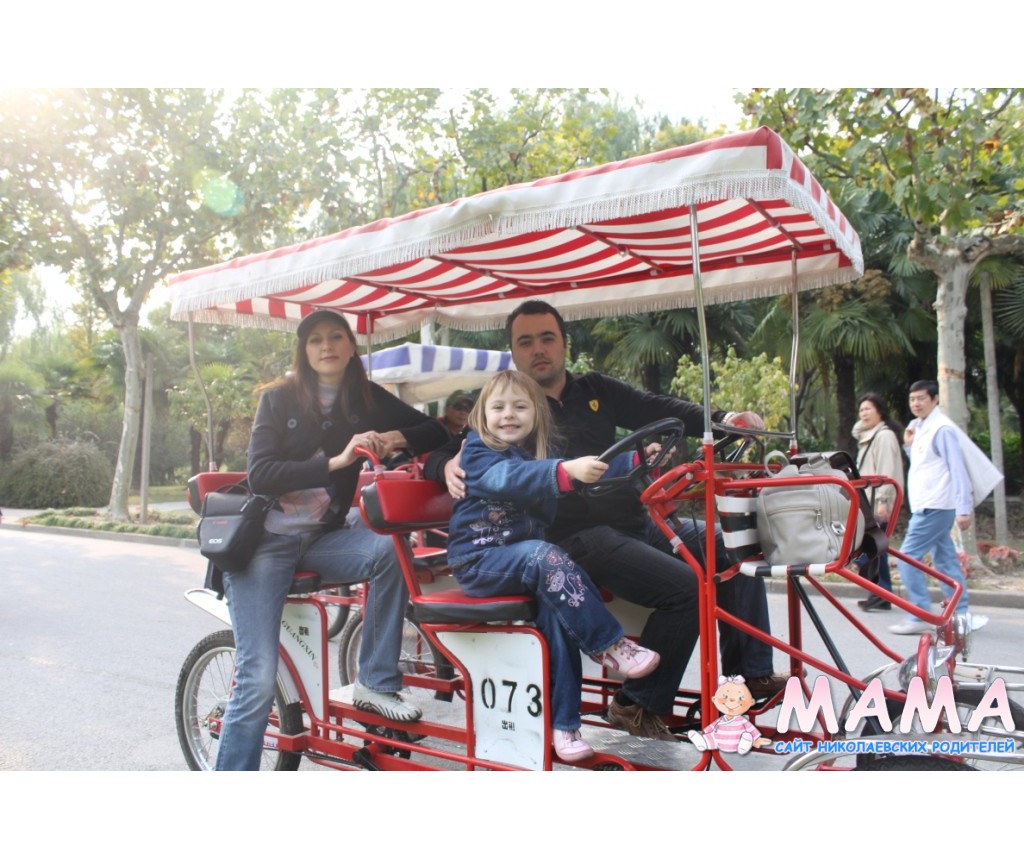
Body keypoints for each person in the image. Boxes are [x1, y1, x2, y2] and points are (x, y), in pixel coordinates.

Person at [426, 300, 786, 741]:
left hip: (635, 521)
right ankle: (636, 704)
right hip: (577, 538)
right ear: (514, 353)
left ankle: (749, 676)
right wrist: (443, 465)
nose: (538, 349)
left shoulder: (595, 389)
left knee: (730, 545)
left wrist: (722, 420)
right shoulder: (510, 409)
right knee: (687, 587)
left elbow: (655, 407)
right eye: (526, 342)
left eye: (547, 338)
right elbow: (460, 452)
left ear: (564, 344)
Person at [215, 308, 448, 770]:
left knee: (389, 550)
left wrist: (391, 437)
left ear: (350, 345)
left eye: (336, 336)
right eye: (316, 339)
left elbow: (437, 432)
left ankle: (374, 681)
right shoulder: (279, 399)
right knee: (258, 679)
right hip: (263, 544)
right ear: (304, 350)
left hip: (321, 540)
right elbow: (261, 474)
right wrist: (337, 462)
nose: (327, 346)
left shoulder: (365, 398)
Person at [447, 369, 661, 762]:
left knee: (559, 621)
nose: (508, 415)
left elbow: (588, 470)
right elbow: (509, 478)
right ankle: (609, 645)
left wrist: (634, 460)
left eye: (519, 407)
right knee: (547, 555)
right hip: (480, 559)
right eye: (498, 407)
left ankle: (564, 725)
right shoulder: (477, 452)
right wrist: (563, 471)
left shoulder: (539, 453)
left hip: (525, 560)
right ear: (482, 415)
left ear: (537, 414)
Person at [889, 380, 981, 635]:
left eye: (921, 398)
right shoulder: (920, 427)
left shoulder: (941, 429)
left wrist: (964, 508)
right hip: (929, 504)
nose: (916, 403)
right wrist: (908, 446)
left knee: (907, 559)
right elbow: (925, 465)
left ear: (935, 399)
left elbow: (957, 469)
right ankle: (960, 615)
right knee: (946, 561)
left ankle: (919, 614)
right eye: (912, 399)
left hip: (936, 505)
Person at [851, 393, 905, 612]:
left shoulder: (883, 436)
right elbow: (856, 430)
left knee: (871, 550)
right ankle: (880, 594)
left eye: (868, 409)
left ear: (880, 411)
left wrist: (883, 501)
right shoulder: (868, 435)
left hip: (877, 501)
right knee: (873, 550)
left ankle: (881, 593)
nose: (863, 414)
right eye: (861, 410)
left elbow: (886, 470)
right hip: (868, 500)